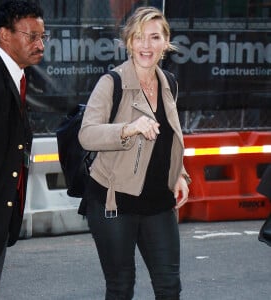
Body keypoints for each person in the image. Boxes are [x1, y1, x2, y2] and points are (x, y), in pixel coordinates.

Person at [78, 6, 191, 300]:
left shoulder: (169, 83)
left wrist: (179, 173)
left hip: (159, 203)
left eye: (154, 37)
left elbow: (170, 138)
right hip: (114, 203)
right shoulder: (111, 83)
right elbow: (86, 134)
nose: (146, 45)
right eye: (139, 37)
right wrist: (128, 128)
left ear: (166, 42)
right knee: (120, 288)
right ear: (129, 41)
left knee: (169, 288)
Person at [0, 1, 47, 299]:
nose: (40, 44)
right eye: (32, 36)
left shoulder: (11, 75)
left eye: (43, 36)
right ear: (5, 35)